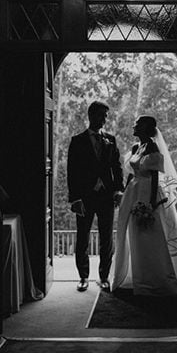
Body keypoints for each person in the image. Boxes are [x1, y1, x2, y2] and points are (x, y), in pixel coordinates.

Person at [112, 115, 177, 297]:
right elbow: (131, 174)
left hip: (147, 191)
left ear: (145, 128)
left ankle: (156, 279)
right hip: (133, 193)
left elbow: (156, 176)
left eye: (137, 124)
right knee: (132, 233)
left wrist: (150, 203)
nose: (134, 125)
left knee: (150, 234)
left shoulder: (152, 146)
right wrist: (124, 195)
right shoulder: (136, 147)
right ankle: (135, 276)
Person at [67, 100, 124, 292]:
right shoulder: (77, 140)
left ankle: (104, 277)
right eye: (102, 115)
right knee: (82, 237)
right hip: (84, 197)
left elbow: (117, 167)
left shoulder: (111, 139)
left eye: (106, 116)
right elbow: (72, 171)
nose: (104, 119)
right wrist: (75, 198)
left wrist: (118, 189)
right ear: (91, 115)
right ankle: (83, 277)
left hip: (106, 196)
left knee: (106, 238)